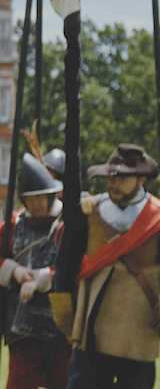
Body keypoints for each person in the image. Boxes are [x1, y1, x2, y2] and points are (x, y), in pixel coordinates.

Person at [59, 144, 160, 389]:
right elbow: (66, 264)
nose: (113, 183)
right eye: (111, 176)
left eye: (122, 177)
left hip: (138, 331)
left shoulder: (156, 217)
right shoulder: (89, 211)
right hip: (92, 332)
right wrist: (64, 314)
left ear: (141, 178)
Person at [0, 154, 69, 389]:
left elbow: (77, 264)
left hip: (61, 325)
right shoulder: (13, 223)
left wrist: (43, 279)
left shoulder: (66, 224)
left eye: (42, 198)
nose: (38, 204)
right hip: (21, 324)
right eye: (32, 199)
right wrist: (15, 271)